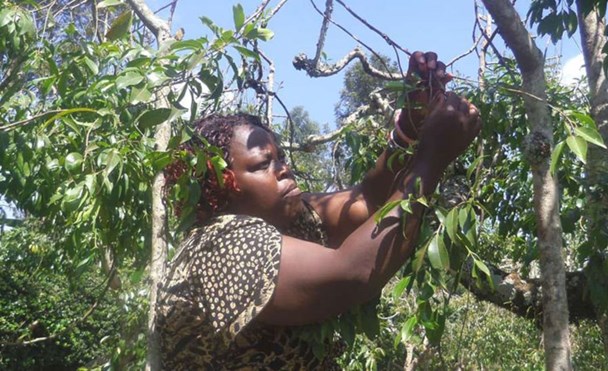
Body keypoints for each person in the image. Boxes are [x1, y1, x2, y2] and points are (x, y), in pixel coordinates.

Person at [156, 51, 482, 369]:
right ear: (221, 187)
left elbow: (368, 202)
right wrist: (432, 156)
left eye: (281, 158)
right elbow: (353, 274)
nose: (283, 169)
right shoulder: (220, 246)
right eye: (262, 164)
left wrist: (410, 127)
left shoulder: (290, 218)